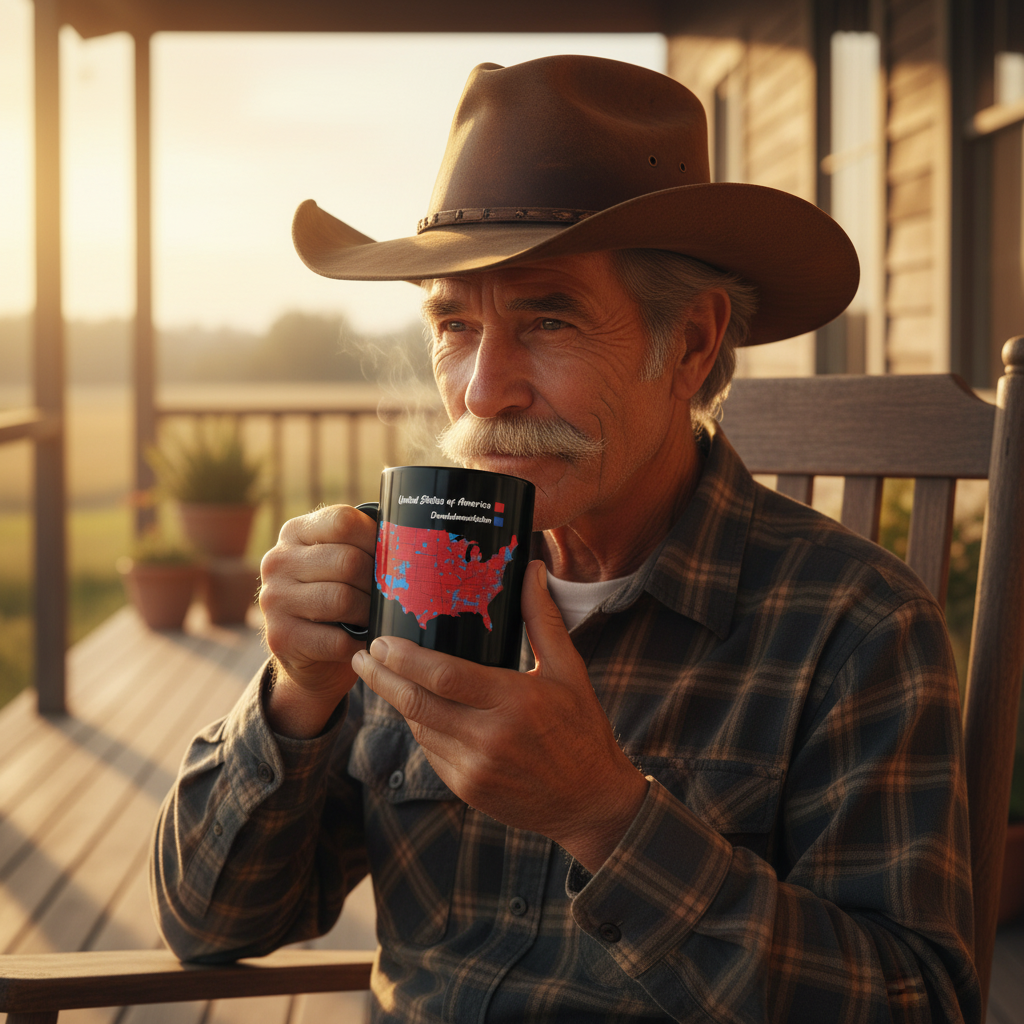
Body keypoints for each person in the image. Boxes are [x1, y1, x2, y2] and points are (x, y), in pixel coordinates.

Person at [152, 55, 980, 1022]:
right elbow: (209, 921)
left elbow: (916, 1003)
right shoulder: (408, 578)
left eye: (548, 318)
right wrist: (300, 693)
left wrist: (606, 816)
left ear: (695, 344)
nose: (482, 389)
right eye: (454, 326)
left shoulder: (851, 626)